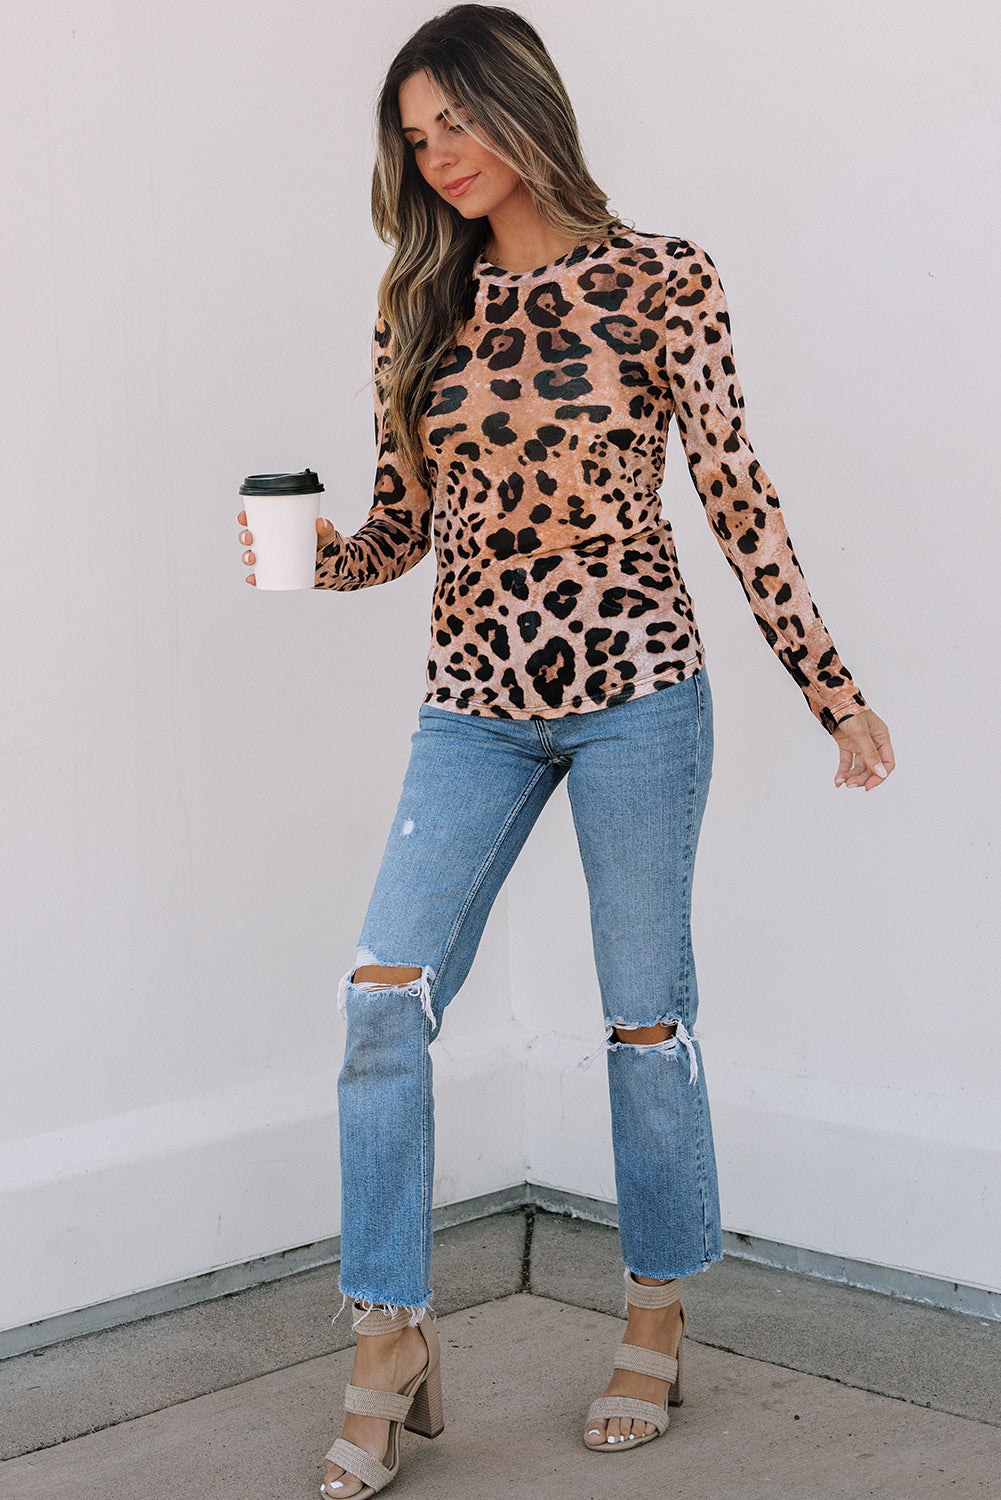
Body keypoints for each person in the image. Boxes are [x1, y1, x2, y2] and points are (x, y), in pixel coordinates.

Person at [236, 6, 895, 1495]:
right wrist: (317, 558)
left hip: (639, 689)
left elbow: (736, 495)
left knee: (644, 1020)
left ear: (523, 106)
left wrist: (831, 692)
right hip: (471, 702)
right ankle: (388, 1338)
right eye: (415, 138)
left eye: (456, 122)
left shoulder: (663, 277)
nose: (438, 157)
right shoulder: (420, 302)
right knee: (382, 999)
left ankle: (654, 1317)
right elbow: (402, 531)